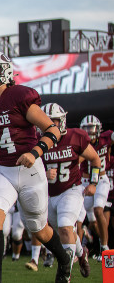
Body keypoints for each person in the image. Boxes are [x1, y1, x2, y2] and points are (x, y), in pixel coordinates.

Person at [0, 51, 72, 283]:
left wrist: (35, 152)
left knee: (38, 228)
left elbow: (53, 130)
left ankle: (64, 259)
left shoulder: (20, 97)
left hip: (29, 169)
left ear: (5, 73)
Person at [37, 103, 99, 278]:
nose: (50, 126)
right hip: (49, 194)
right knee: (66, 231)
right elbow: (28, 169)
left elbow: (95, 159)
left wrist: (93, 183)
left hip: (71, 189)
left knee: (66, 227)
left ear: (62, 121)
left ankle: (65, 274)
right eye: (46, 122)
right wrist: (42, 173)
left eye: (54, 121)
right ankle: (81, 254)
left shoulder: (75, 137)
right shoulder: (37, 141)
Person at [79, 114, 113, 261]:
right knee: (91, 222)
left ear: (98, 128)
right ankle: (94, 239)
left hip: (101, 180)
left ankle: (105, 247)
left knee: (99, 210)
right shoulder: (81, 143)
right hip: (86, 182)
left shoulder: (106, 138)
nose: (90, 131)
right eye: (86, 128)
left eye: (92, 128)